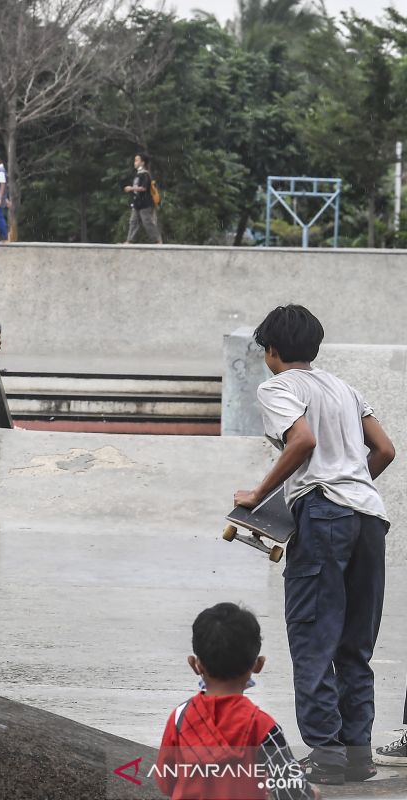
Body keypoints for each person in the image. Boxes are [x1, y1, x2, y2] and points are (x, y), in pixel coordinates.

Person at [235, 304, 394, 785]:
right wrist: (352, 484)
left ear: (272, 351)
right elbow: (385, 450)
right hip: (369, 516)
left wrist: (258, 494)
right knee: (354, 644)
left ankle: (325, 755)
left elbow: (300, 441)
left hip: (324, 516)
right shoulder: (345, 388)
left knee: (312, 639)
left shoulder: (278, 385)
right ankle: (356, 755)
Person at [156, 603, 318, 800]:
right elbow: (293, 792)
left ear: (195, 664)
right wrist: (310, 793)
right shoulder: (264, 727)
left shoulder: (179, 718)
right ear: (258, 665)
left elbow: (165, 782)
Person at [124, 152, 163, 244]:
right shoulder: (138, 174)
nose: (135, 162)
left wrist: (131, 188)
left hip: (145, 204)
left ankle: (157, 240)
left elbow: (144, 188)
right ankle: (130, 240)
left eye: (137, 160)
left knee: (147, 222)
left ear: (142, 163)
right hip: (137, 203)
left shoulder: (145, 174)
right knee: (133, 222)